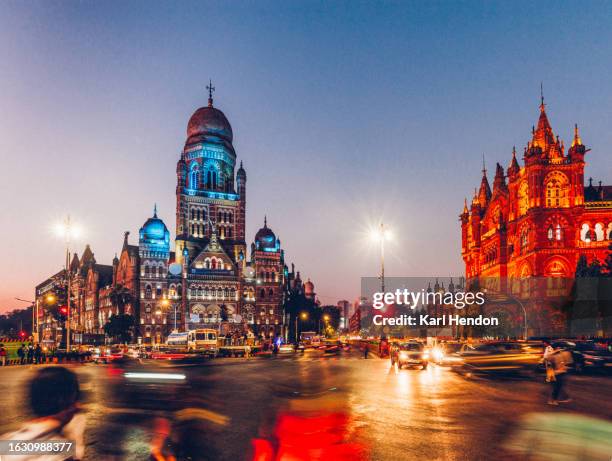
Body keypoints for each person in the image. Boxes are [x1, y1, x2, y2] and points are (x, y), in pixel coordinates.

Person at [1, 367, 86, 460]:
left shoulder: (7, 443)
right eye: (74, 399)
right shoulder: (62, 450)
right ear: (63, 401)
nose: (78, 406)